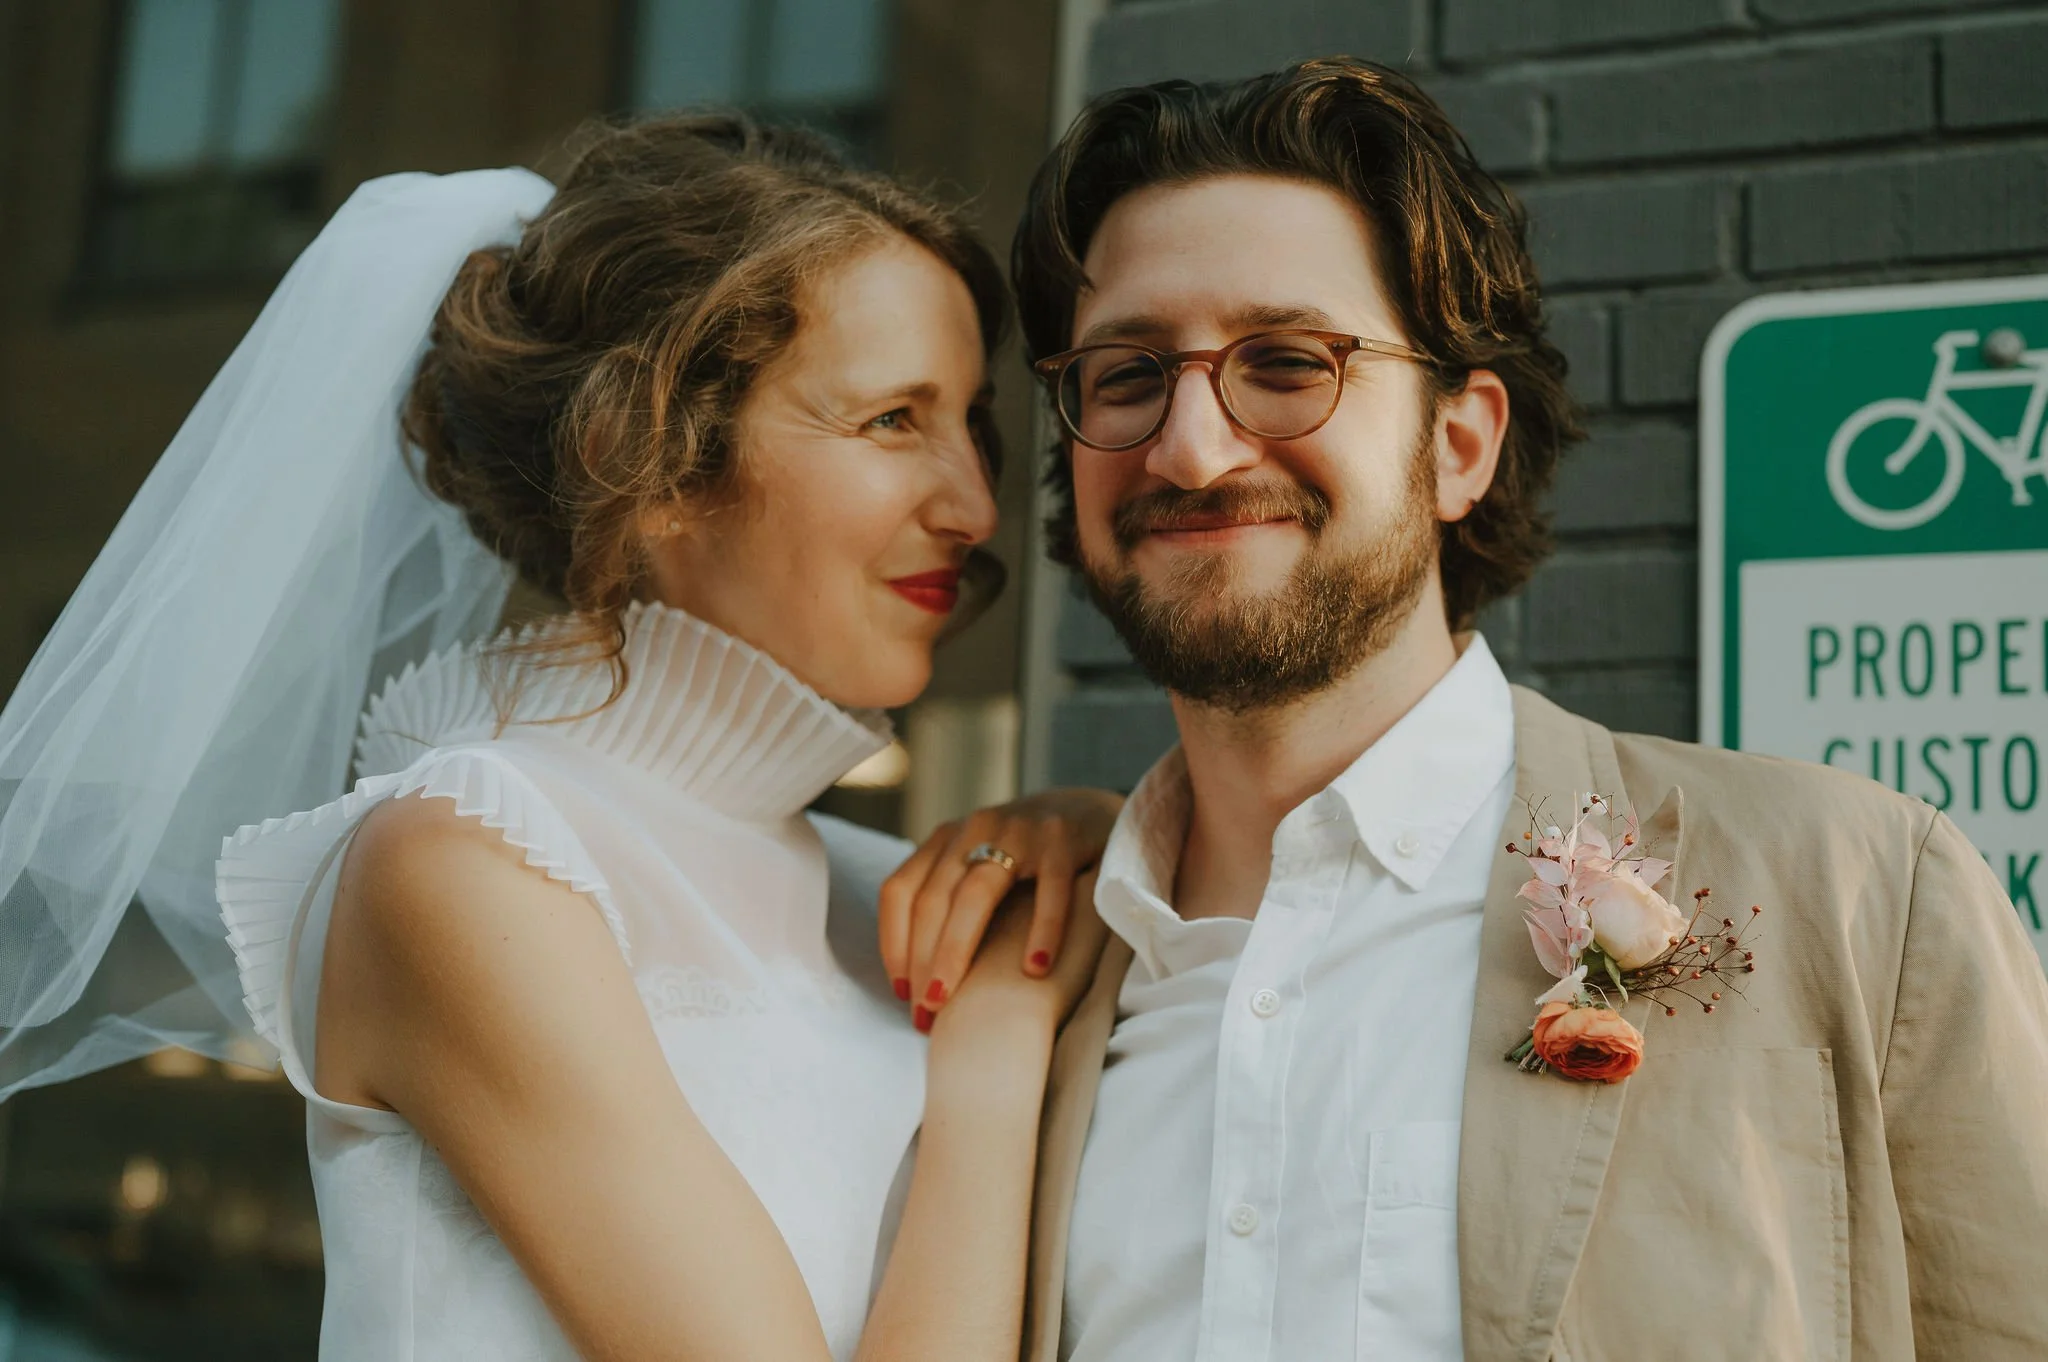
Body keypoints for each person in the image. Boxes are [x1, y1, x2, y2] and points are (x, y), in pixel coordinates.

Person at [0, 114, 1121, 1360]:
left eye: (970, 421)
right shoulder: (461, 864)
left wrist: (1105, 845)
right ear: (645, 463)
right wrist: (999, 1040)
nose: (971, 503)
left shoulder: (902, 898)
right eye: (889, 422)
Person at [1007, 58, 2048, 1362]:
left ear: (1461, 443)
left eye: (1286, 362)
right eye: (1126, 375)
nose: (1192, 446)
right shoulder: (1026, 982)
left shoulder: (1861, 895)